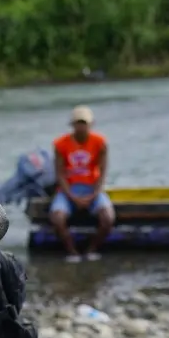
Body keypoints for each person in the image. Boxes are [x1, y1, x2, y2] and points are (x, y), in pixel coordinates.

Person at [50, 105, 114, 262]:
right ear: (72, 125)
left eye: (84, 123)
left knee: (108, 217)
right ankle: (72, 252)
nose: (81, 127)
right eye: (78, 123)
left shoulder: (100, 142)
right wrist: (72, 197)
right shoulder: (61, 144)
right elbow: (60, 174)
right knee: (57, 218)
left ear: (91, 124)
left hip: (92, 188)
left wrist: (94, 194)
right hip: (68, 189)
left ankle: (92, 249)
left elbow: (103, 172)